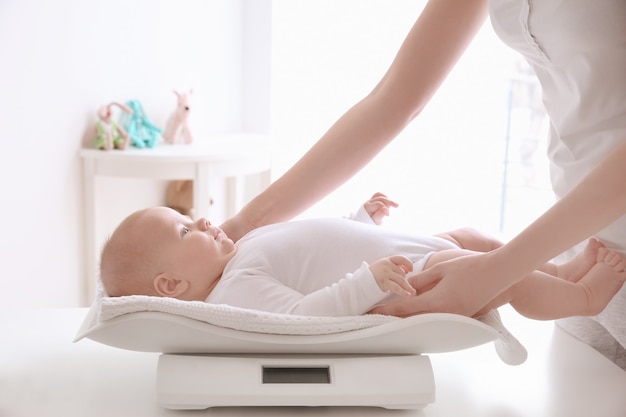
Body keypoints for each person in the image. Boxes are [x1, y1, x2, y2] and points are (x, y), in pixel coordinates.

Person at [218, 1, 626, 367]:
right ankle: (569, 284)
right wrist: (242, 225)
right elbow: (393, 100)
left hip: (576, 248)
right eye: (182, 228)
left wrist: (497, 270)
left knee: (479, 248)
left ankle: (575, 289)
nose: (200, 224)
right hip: (581, 244)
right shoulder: (238, 278)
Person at [100, 193, 625, 320]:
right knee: (489, 273)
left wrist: (362, 221)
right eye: (187, 228)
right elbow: (305, 318)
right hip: (409, 278)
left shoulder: (243, 253)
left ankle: (559, 270)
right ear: (171, 285)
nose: (207, 221)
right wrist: (367, 283)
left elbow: (318, 248)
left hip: (405, 251)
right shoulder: (236, 289)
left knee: (468, 235)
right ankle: (581, 296)